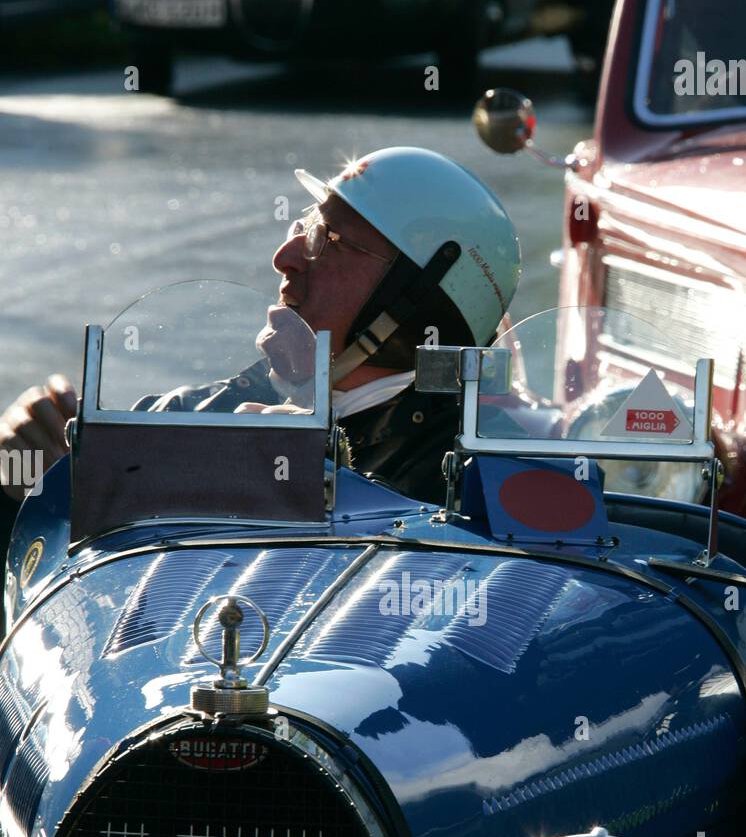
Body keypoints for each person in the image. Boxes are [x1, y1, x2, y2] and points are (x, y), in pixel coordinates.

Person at [0, 147, 521, 561]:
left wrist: (333, 496)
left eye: (329, 239)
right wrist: (19, 482)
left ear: (414, 301)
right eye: (305, 226)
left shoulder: (480, 481)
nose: (285, 256)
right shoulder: (195, 416)